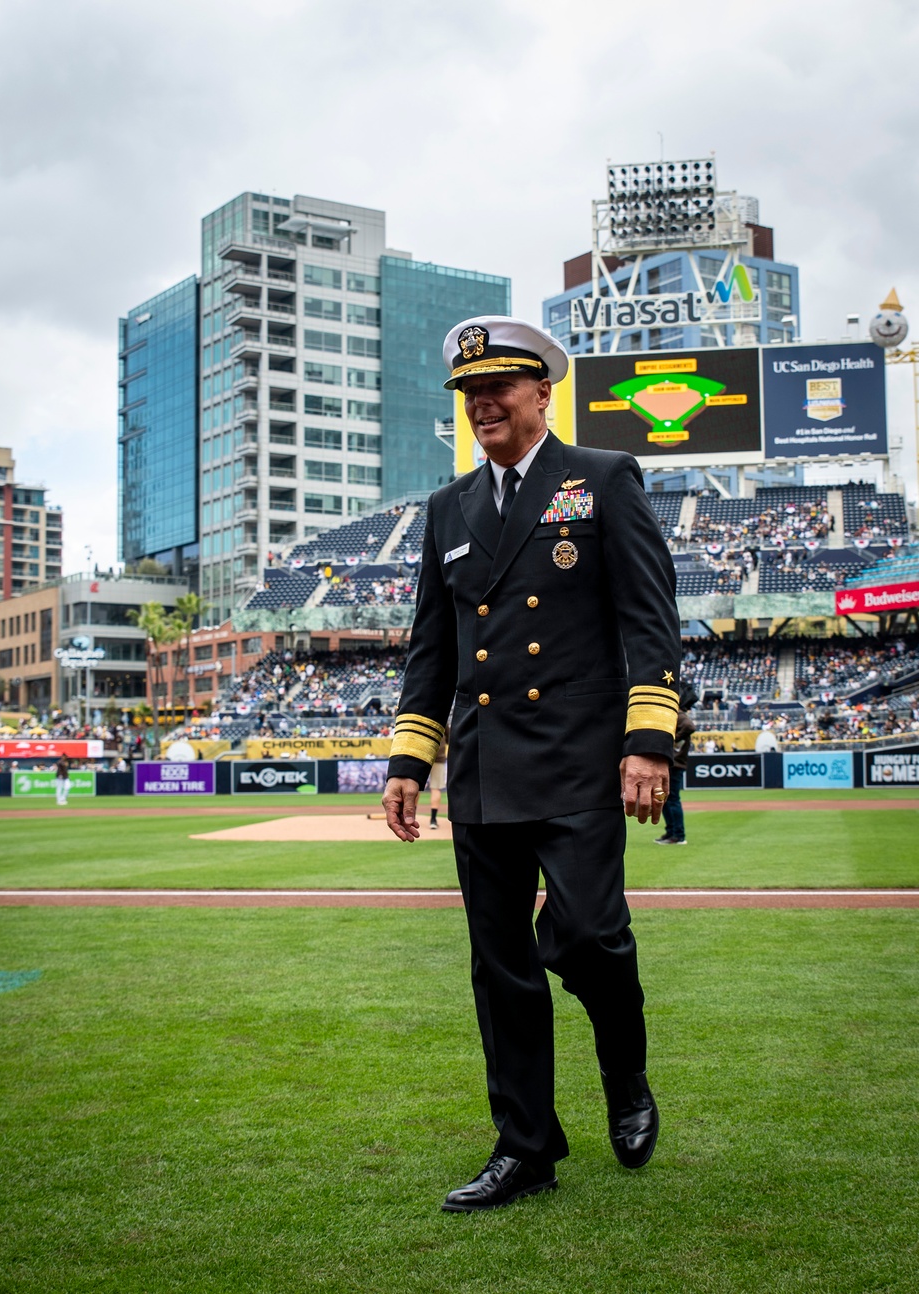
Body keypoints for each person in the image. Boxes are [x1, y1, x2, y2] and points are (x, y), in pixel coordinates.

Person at [382, 316, 681, 1212]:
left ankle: (624, 1077)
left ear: (542, 392)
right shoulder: (447, 510)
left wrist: (648, 739)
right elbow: (430, 649)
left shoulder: (601, 479)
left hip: (582, 761)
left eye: (500, 388)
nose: (484, 405)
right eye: (471, 395)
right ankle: (526, 1148)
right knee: (499, 968)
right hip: (481, 769)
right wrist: (408, 758)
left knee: (587, 936)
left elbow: (648, 617)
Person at [654, 683, 697, 846]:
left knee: (671, 799)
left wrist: (672, 739)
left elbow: (689, 726)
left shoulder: (677, 713)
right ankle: (672, 831)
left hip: (675, 762)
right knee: (666, 799)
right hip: (674, 761)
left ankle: (678, 834)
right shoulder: (678, 714)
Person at [426, 727, 448, 829]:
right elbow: (450, 738)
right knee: (435, 788)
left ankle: (410, 817)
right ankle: (433, 820)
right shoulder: (443, 717)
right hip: (439, 757)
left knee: (415, 786)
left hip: (422, 756)